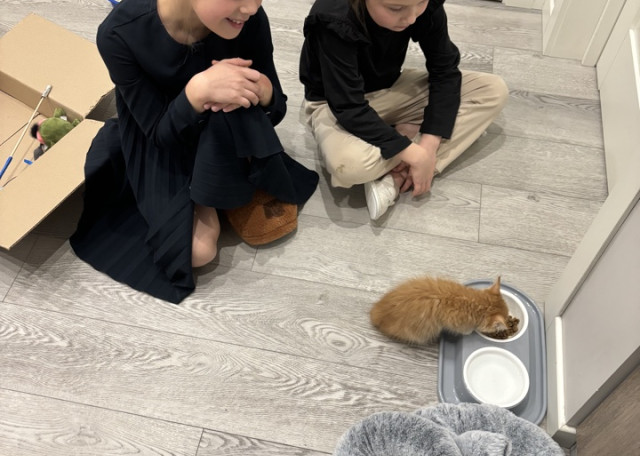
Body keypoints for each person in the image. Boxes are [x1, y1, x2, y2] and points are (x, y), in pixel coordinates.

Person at [70, 0, 319, 303]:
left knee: (202, 242)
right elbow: (158, 132)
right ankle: (222, 186)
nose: (252, 8)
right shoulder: (120, 33)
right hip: (164, 133)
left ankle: (221, 183)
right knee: (198, 252)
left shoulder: (248, 19)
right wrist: (196, 93)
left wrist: (264, 91)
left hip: (227, 125)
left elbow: (275, 109)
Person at [299, 0, 508, 220]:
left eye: (421, 2)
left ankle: (397, 175)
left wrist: (427, 147)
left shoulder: (419, 7)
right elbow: (347, 105)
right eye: (395, 8)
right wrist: (414, 152)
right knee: (350, 166)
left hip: (391, 88)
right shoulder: (333, 17)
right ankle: (415, 149)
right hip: (332, 102)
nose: (411, 18)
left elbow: (445, 70)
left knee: (493, 90)